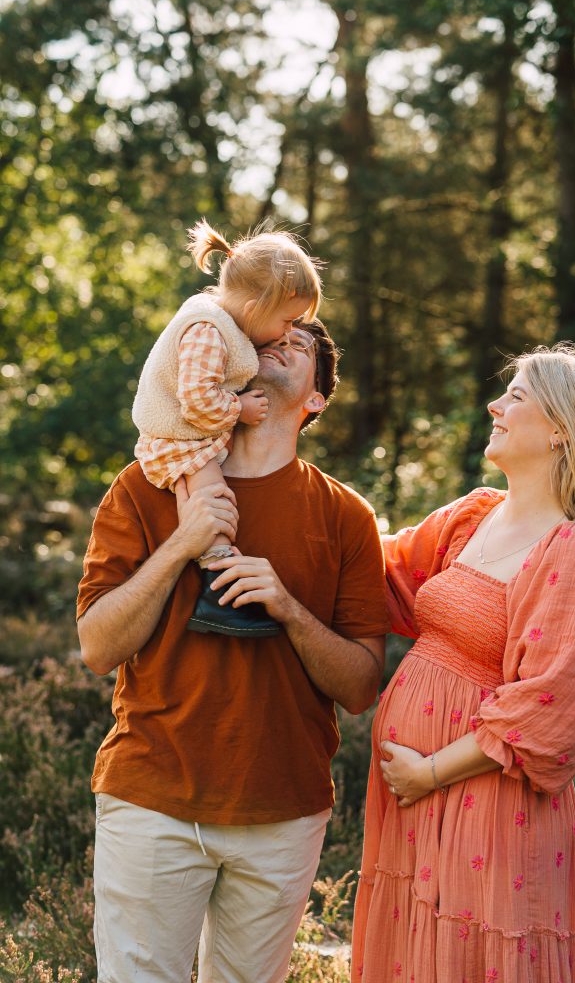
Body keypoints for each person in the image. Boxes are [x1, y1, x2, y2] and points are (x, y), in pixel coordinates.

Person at [77, 317, 389, 983]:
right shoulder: (144, 486)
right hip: (151, 798)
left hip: (282, 813)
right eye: (262, 340)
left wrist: (287, 608)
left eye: (296, 345)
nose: (274, 346)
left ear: (316, 399)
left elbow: (361, 685)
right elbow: (99, 647)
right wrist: (182, 546)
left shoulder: (347, 517)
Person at [351, 344, 575, 983]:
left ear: (561, 430)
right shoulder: (473, 514)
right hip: (410, 803)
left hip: (484, 808)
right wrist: (294, 494)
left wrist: (430, 770)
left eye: (517, 395)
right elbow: (381, 571)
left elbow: (551, 706)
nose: (495, 404)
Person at [132, 218, 324, 636]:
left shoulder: (220, 327)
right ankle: (218, 593)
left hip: (181, 436)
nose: (287, 333)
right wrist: (238, 409)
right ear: (256, 309)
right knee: (214, 501)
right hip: (176, 437)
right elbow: (198, 401)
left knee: (203, 497)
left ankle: (214, 587)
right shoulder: (208, 331)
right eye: (288, 322)